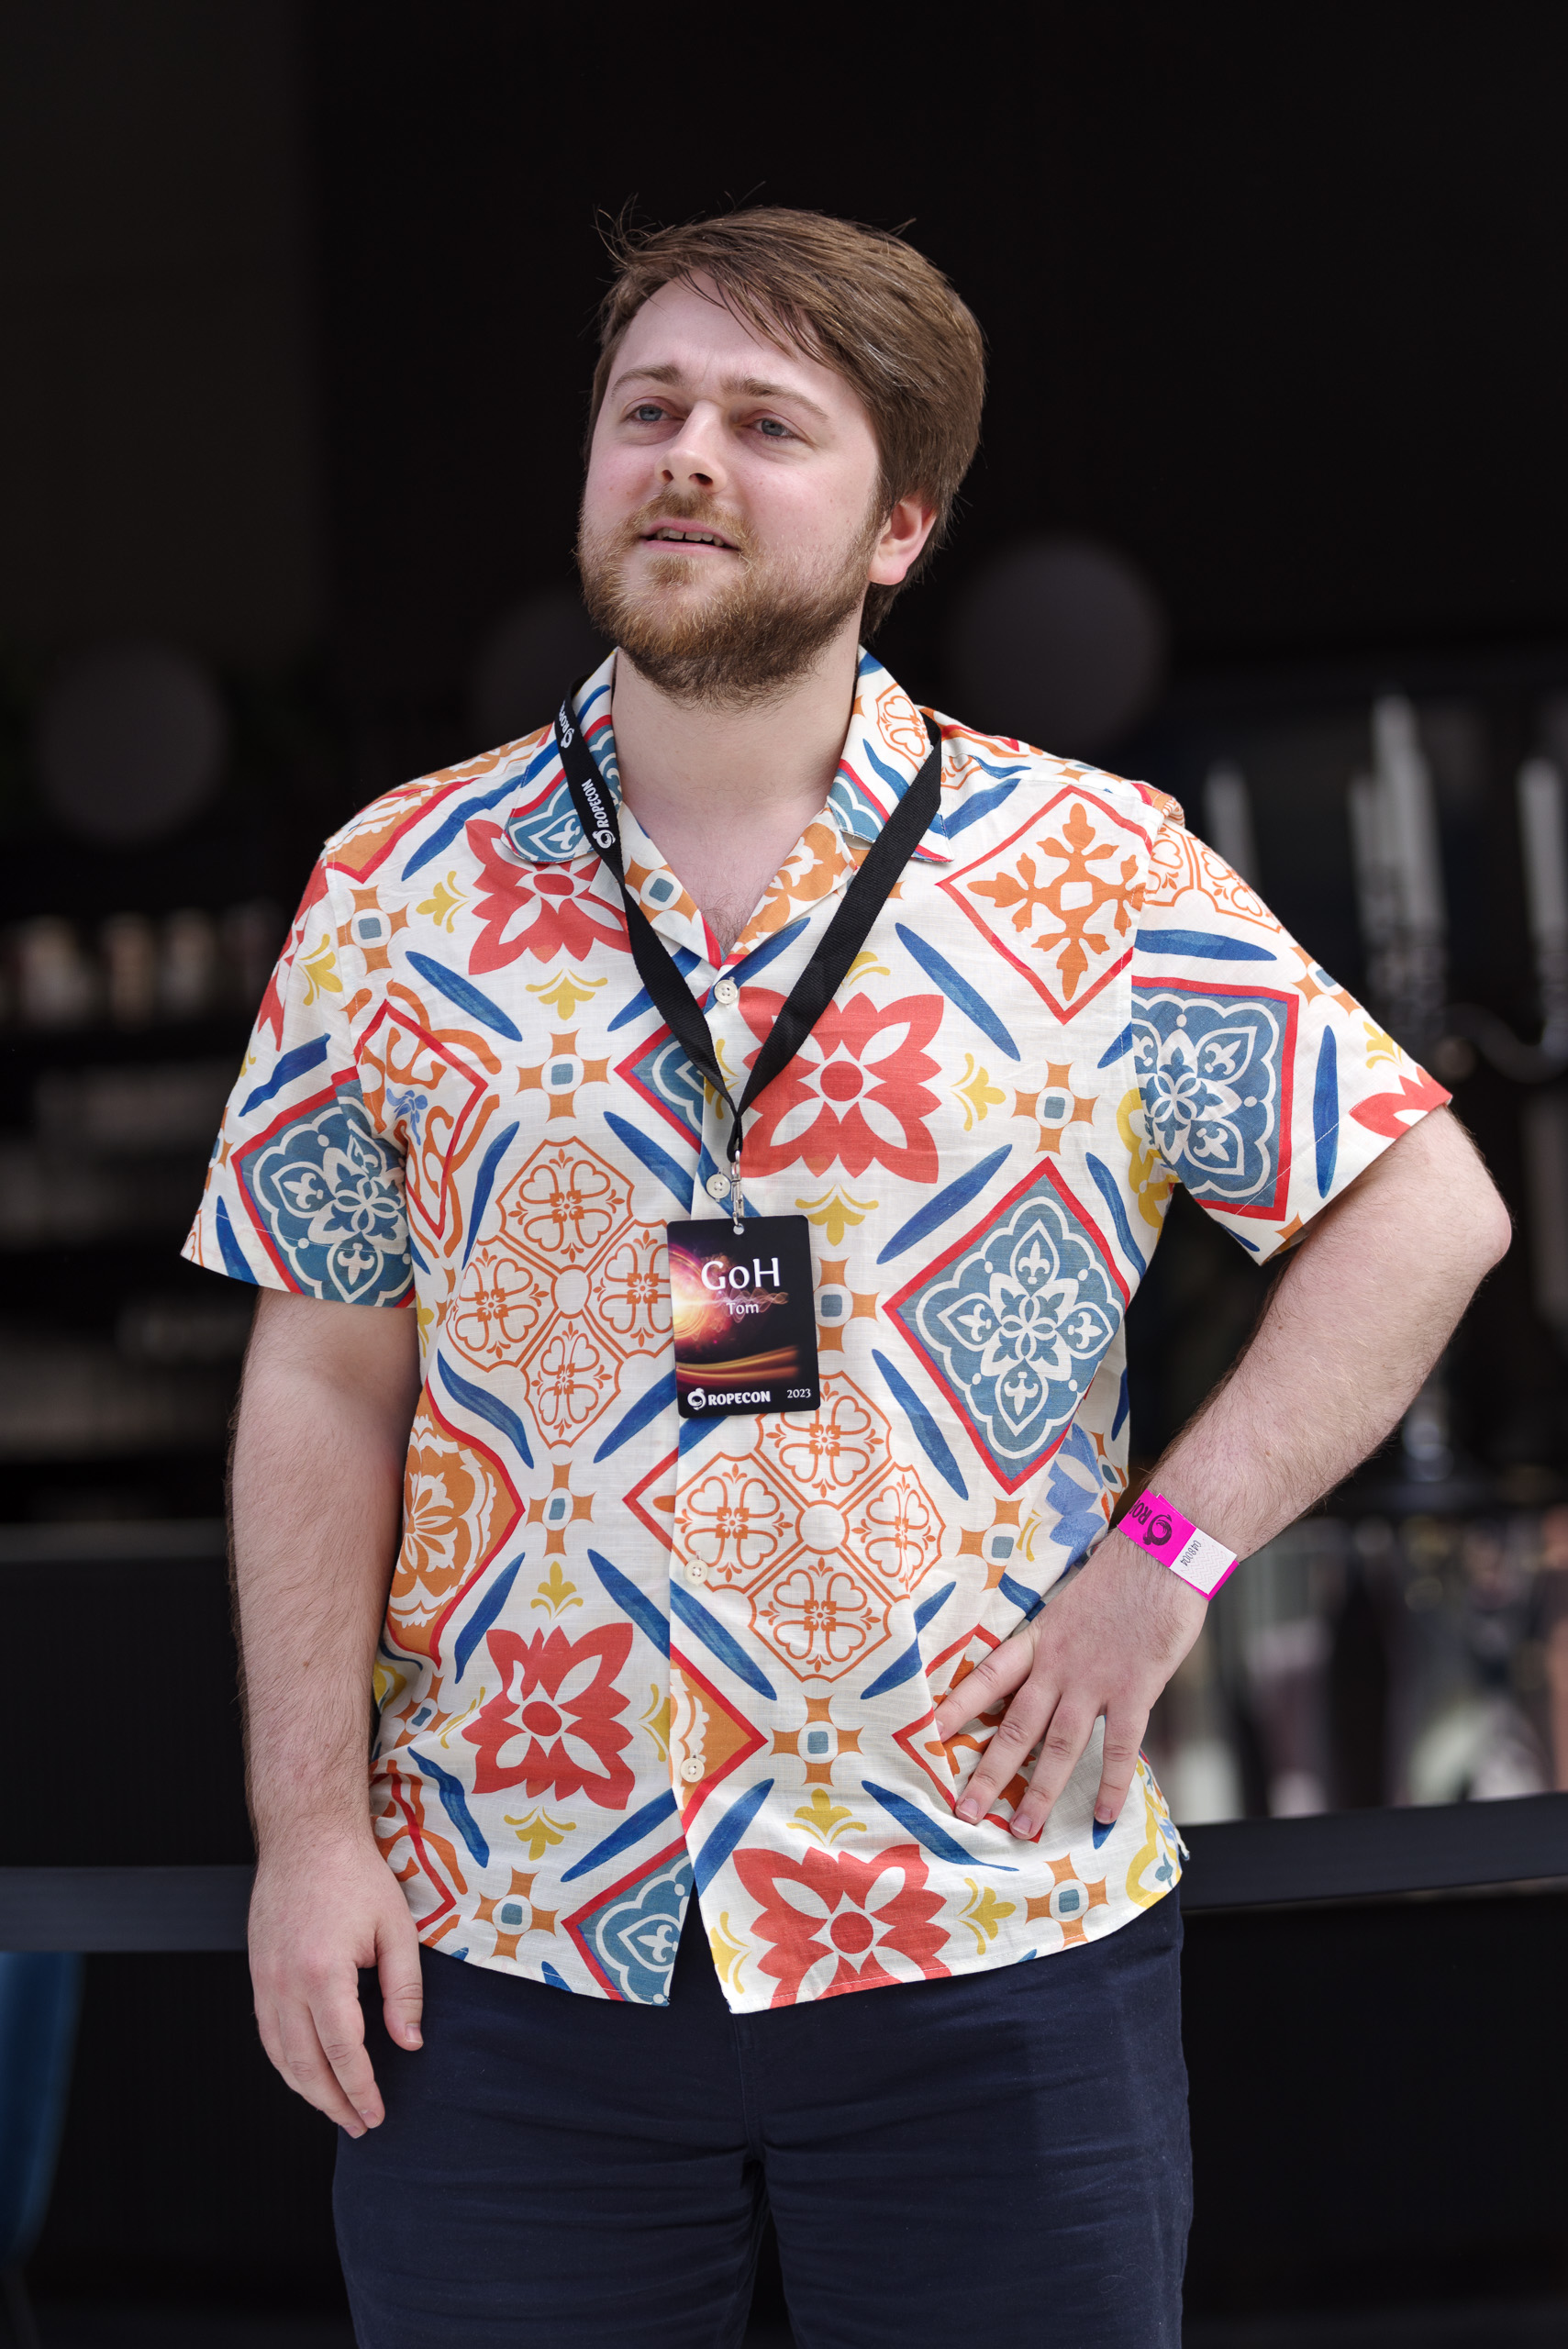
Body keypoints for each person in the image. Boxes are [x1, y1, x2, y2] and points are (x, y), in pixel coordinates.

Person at [186, 208, 1510, 2348]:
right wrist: (305, 1825)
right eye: (647, 409)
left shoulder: (1089, 868)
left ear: (901, 525)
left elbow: (1428, 1205)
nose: (688, 456)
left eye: (767, 421)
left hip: (984, 1922)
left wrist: (1168, 1557)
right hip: (505, 1939)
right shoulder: (395, 885)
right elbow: (321, 1373)